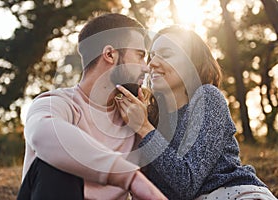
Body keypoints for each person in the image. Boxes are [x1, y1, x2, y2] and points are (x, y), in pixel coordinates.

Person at [115, 25, 277, 200]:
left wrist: (144, 129)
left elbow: (188, 184)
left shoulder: (207, 98)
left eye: (166, 55)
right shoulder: (150, 118)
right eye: (151, 56)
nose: (151, 63)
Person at [17, 13, 167, 200]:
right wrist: (129, 177)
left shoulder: (134, 117)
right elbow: (42, 133)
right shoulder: (57, 103)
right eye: (139, 56)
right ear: (110, 54)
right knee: (52, 165)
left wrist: (144, 128)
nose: (146, 67)